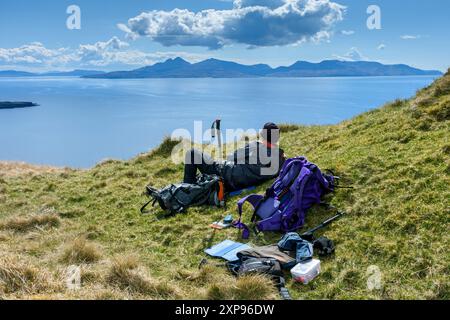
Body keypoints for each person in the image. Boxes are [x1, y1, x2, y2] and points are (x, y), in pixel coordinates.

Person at [183, 122, 286, 191]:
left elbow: (231, 157)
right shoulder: (280, 162)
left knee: (192, 153)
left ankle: (186, 189)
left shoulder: (255, 146)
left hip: (226, 175)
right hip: (237, 185)